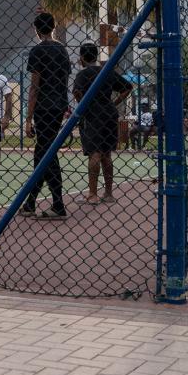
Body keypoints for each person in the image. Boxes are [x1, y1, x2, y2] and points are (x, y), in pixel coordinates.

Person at [23, 13, 71, 220]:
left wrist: (27, 117)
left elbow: (35, 86)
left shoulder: (37, 51)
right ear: (53, 26)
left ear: (36, 29)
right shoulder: (62, 50)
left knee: (46, 154)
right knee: (42, 153)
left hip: (44, 107)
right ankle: (30, 201)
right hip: (58, 105)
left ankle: (58, 204)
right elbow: (63, 79)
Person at [73, 44, 133, 204]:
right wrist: (114, 102)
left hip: (92, 115)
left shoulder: (82, 74)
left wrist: (83, 104)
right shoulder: (106, 71)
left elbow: (77, 93)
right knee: (106, 154)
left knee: (95, 153)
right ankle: (108, 193)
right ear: (96, 56)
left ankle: (92, 194)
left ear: (82, 58)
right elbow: (127, 87)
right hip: (109, 113)